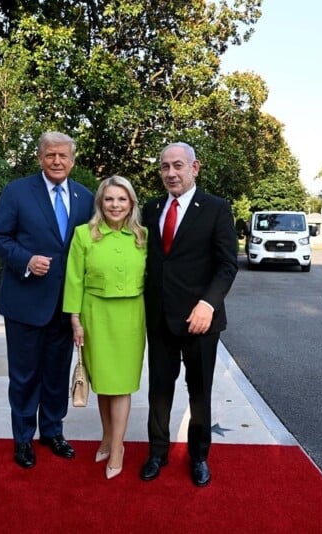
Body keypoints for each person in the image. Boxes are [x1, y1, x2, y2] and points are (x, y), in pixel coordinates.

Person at [0, 131, 94, 469]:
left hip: (65, 307)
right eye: (50, 155)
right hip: (25, 303)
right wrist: (25, 260)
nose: (57, 161)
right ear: (39, 157)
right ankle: (22, 439)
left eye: (63, 156)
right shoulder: (17, 192)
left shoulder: (84, 197)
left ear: (73, 160)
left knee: (54, 374)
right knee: (24, 376)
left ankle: (52, 431)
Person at [139, 142, 238, 487]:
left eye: (178, 165)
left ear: (195, 168)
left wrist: (208, 303)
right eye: (165, 166)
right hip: (161, 318)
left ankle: (199, 456)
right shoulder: (150, 209)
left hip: (201, 320)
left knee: (199, 392)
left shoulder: (216, 209)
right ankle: (157, 453)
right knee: (159, 391)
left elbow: (227, 265)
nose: (170, 173)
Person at [63, 175, 147, 480]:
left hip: (130, 317)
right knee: (103, 384)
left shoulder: (143, 237)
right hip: (94, 314)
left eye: (121, 199)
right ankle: (108, 437)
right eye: (109, 199)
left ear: (131, 203)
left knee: (120, 384)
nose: (115, 205)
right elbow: (73, 278)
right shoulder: (84, 235)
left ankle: (118, 447)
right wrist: (75, 318)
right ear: (100, 202)